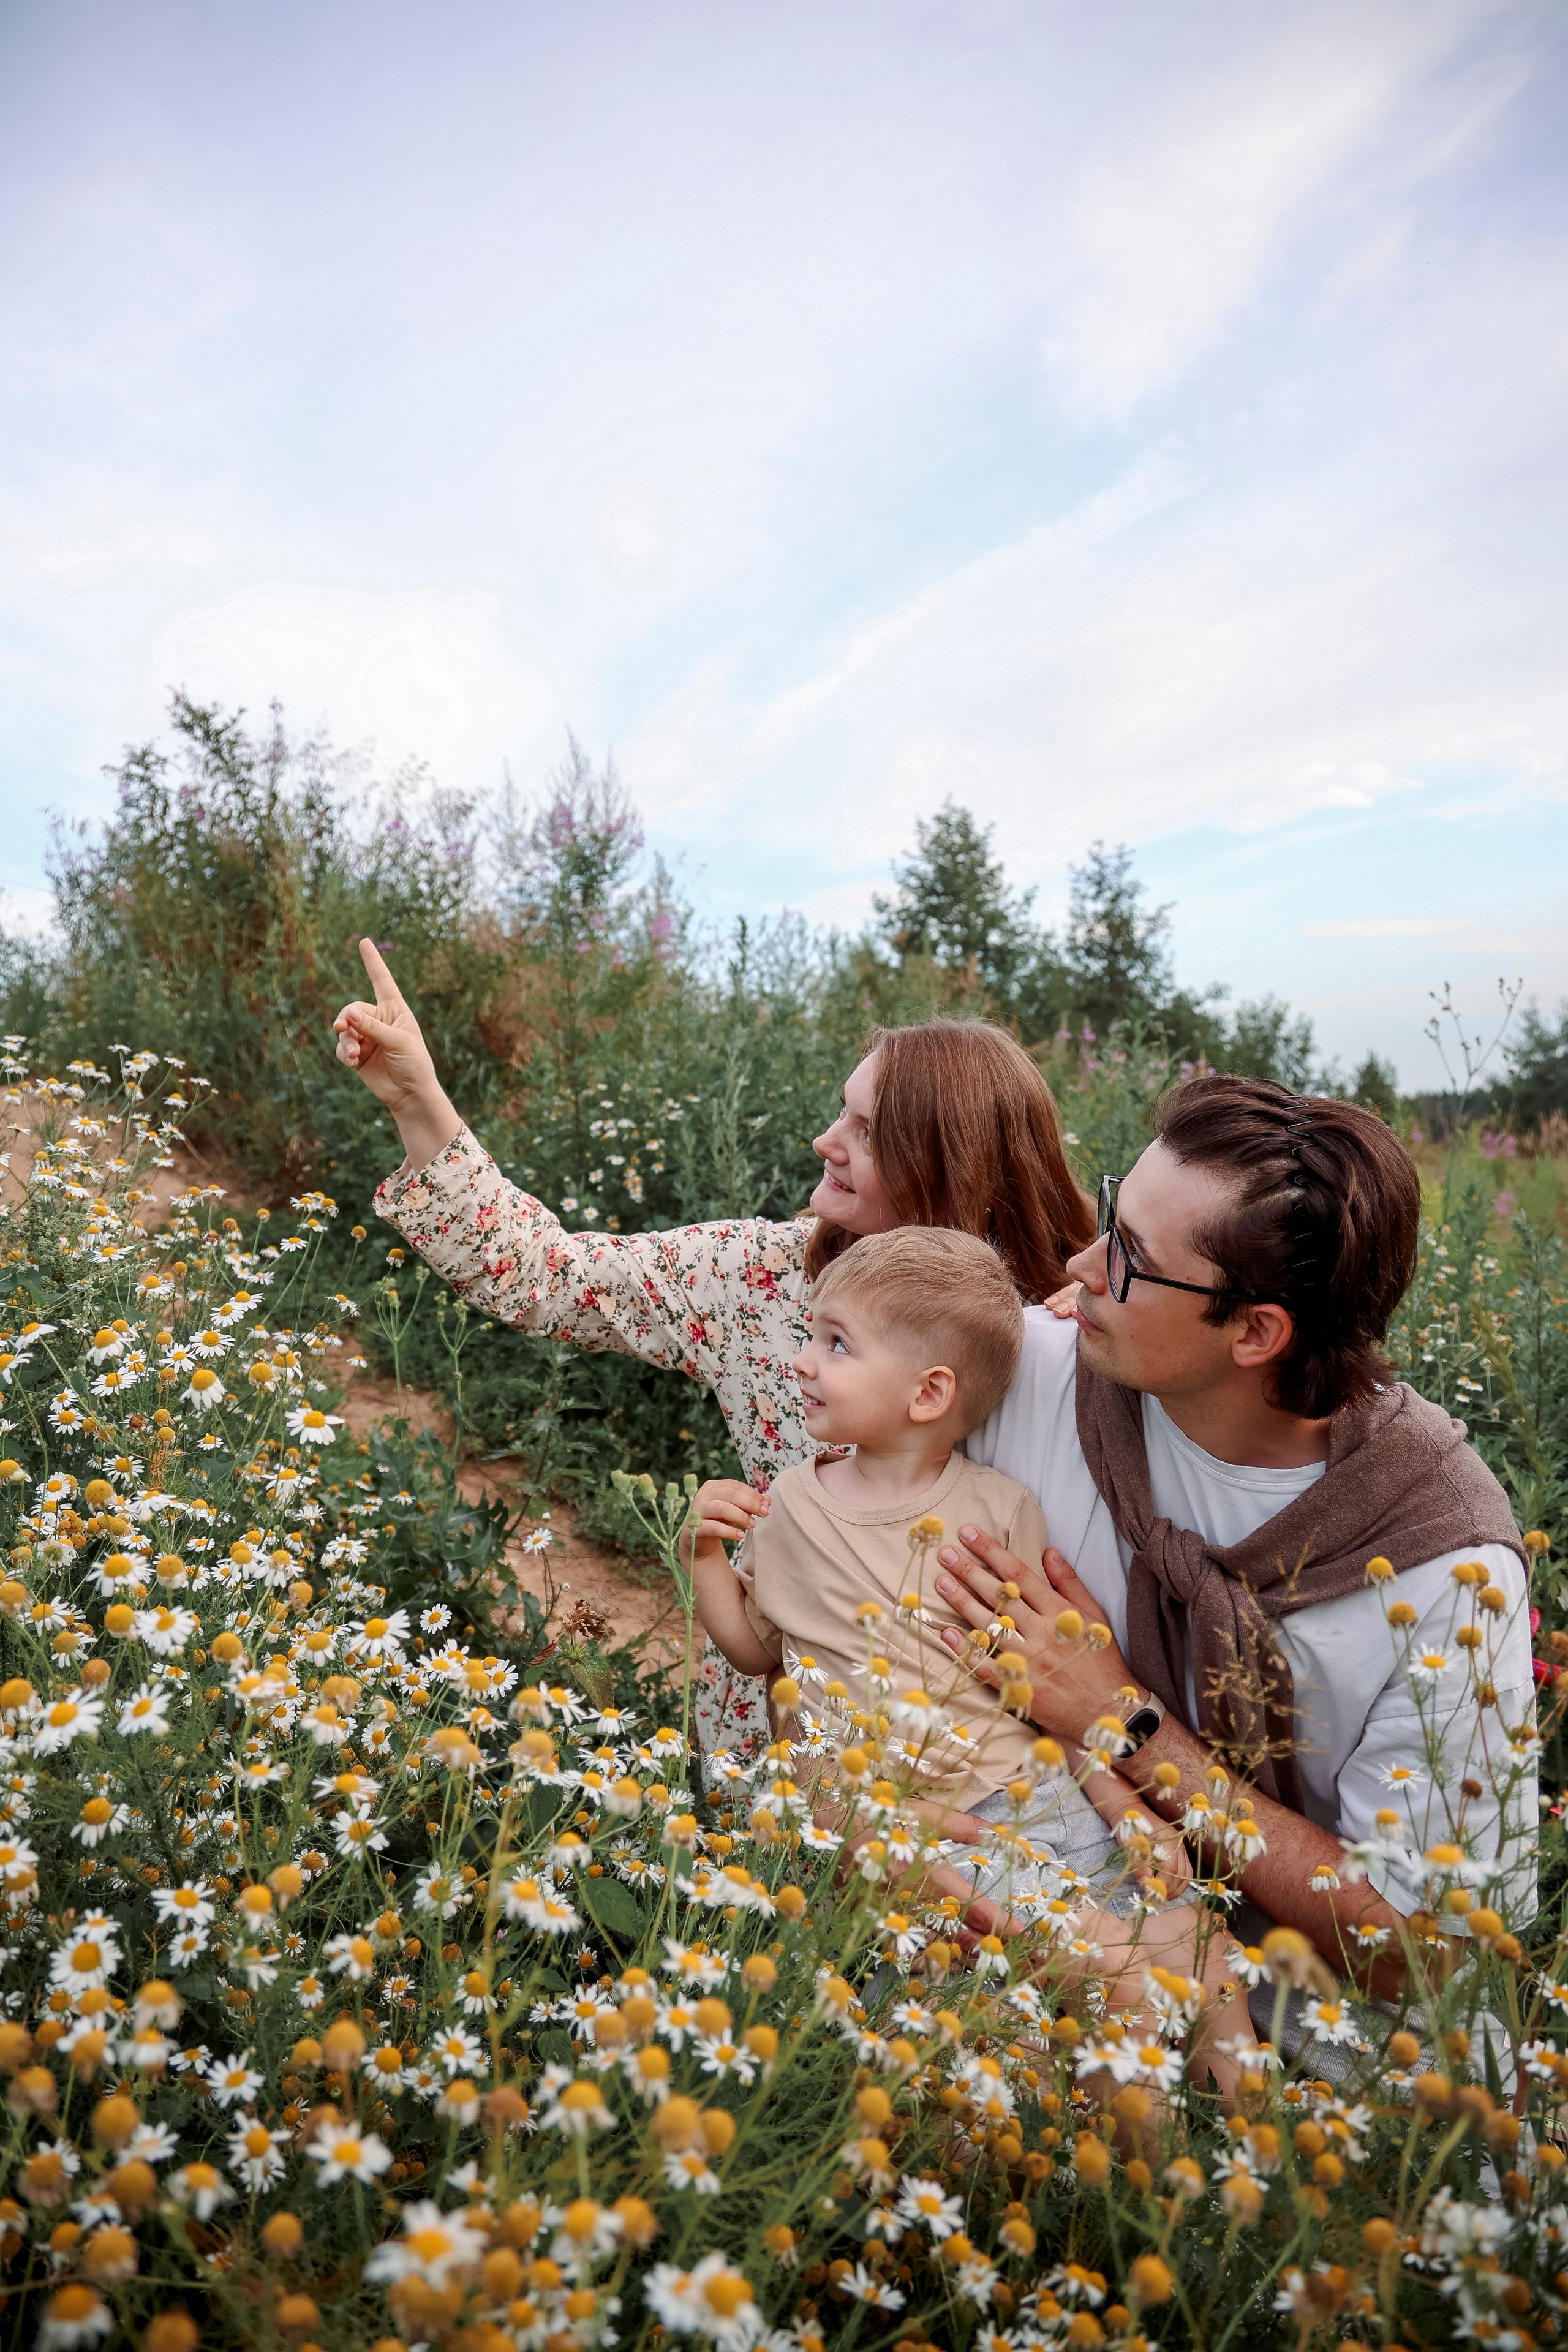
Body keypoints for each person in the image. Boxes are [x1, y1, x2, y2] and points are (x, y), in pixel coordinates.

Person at [331, 936, 1093, 1770]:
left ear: (951, 1164)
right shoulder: (762, 1276)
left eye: (865, 1131)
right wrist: (418, 1100)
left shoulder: (1057, 1330)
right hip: (778, 1748)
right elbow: (544, 1277)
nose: (824, 1141)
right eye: (842, 1111)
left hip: (995, 1779)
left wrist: (1098, 1322)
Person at [933, 1072, 1534, 2018]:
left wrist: (1129, 1724)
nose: (1080, 1266)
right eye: (1108, 1218)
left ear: (1256, 1331)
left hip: (1324, 2069)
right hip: (1039, 1984)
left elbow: (1421, 1956)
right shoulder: (1031, 1377)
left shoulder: (1446, 1565)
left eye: (1129, 1255)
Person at [685, 1224, 1183, 1912]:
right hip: (882, 1828)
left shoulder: (999, 1509)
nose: (801, 1362)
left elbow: (1047, 1698)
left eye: (836, 1344)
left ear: (928, 1395)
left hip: (1034, 1801)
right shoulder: (786, 1507)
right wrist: (702, 1554)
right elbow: (751, 1648)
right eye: (812, 1337)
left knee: (1149, 1959)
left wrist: (1128, 1812)